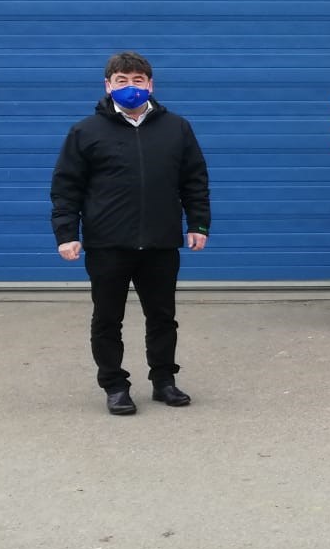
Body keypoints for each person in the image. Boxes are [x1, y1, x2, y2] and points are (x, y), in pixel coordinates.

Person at [50, 51, 211, 416]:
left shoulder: (177, 128)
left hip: (160, 242)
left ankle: (164, 381)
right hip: (107, 244)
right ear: (108, 86)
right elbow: (66, 187)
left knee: (162, 317)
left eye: (138, 80)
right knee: (107, 319)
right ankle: (115, 386)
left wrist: (198, 224)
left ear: (150, 85)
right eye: (121, 81)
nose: (130, 87)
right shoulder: (85, 132)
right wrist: (66, 233)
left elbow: (194, 180)